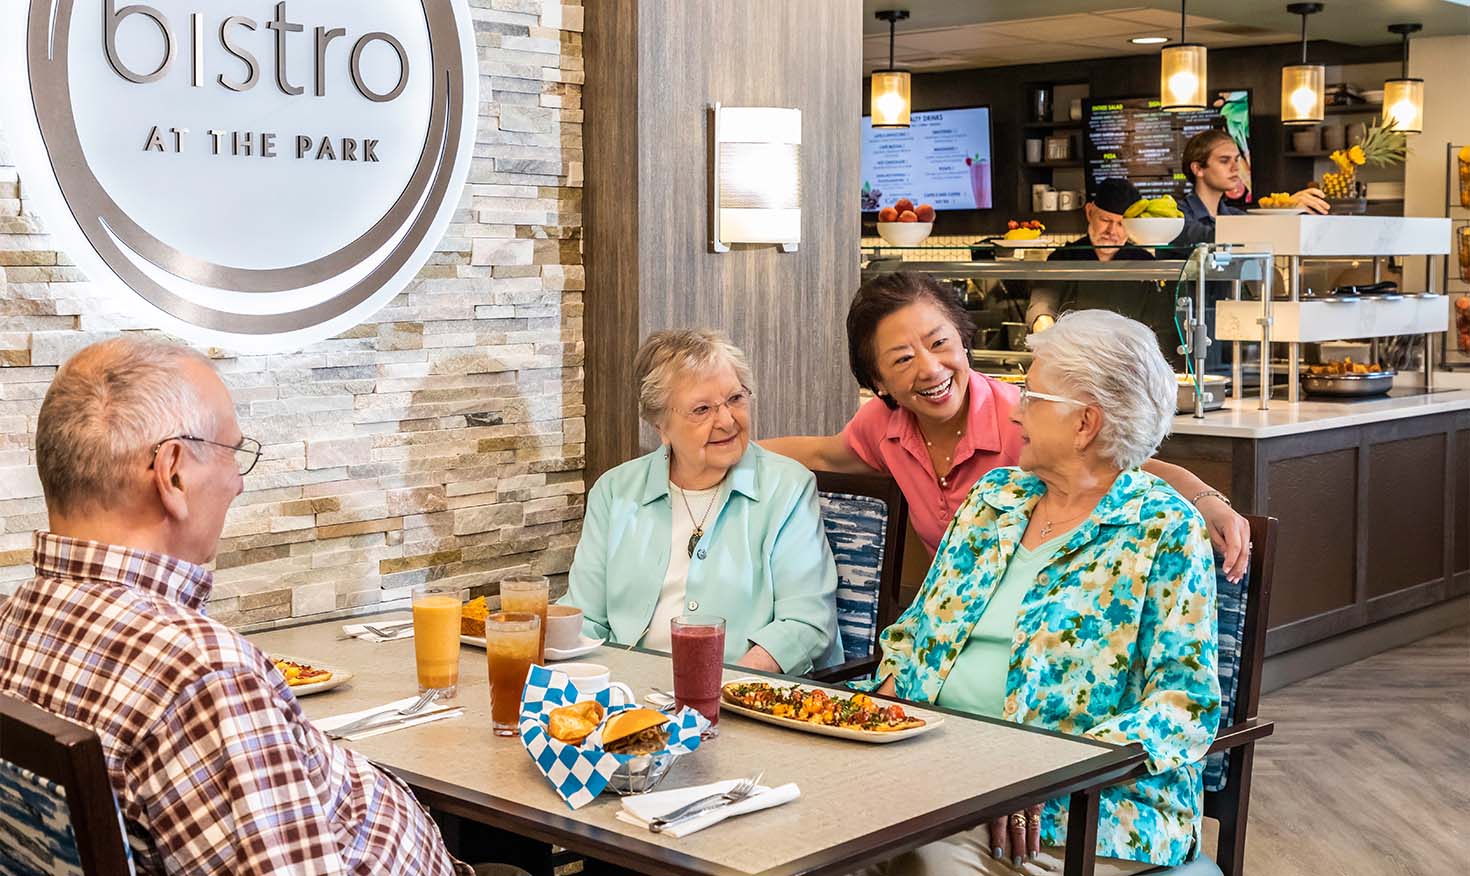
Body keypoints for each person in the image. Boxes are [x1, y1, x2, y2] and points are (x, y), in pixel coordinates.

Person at [0, 338, 471, 875]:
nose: (237, 483)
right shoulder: (203, 675)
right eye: (231, 454)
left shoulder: (17, 621)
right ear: (173, 473)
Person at [863, 310, 1221, 876]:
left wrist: (1047, 769)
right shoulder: (994, 498)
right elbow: (916, 631)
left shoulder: (1162, 528)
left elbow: (1183, 705)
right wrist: (875, 714)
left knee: (917, 859)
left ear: (1085, 423)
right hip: (931, 770)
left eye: (1031, 395)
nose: (1012, 408)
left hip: (1075, 808)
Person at [763, 272, 1251, 582]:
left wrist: (1208, 500)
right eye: (903, 358)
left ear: (964, 339)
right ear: (877, 379)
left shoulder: (1027, 418)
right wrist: (714, 446)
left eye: (939, 343)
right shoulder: (884, 426)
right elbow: (825, 454)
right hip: (957, 616)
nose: (930, 369)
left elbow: (1129, 466)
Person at [563, 329, 843, 674]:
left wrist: (723, 688)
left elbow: (806, 623)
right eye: (702, 409)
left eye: (736, 399)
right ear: (660, 425)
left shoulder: (787, 488)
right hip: (628, 693)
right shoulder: (615, 491)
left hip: (742, 697)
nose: (726, 420)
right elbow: (585, 617)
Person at [1026, 178, 1176, 363]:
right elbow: (1042, 305)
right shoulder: (1063, 258)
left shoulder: (1144, 263)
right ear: (1089, 212)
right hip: (1072, 361)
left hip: (1128, 364)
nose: (1111, 231)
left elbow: (1161, 326)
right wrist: (1048, 336)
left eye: (1121, 224)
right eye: (1105, 220)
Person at [1171, 128, 1328, 248]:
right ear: (1198, 169)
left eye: (1236, 160)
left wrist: (1288, 210)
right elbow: (1210, 237)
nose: (1235, 168)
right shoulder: (1175, 216)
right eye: (1224, 161)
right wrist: (1282, 210)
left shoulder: (1235, 216)